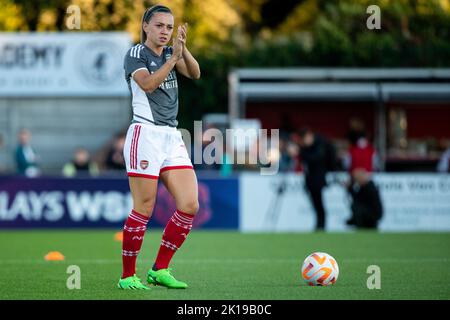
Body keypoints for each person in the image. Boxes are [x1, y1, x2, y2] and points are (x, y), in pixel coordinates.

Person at [118, 5, 201, 290]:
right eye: (159, 26)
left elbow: (195, 73)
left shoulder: (171, 52)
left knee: (190, 204)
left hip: (171, 136)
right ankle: (127, 276)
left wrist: (182, 50)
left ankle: (160, 269)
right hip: (145, 135)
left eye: (169, 27)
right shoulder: (135, 54)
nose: (165, 31)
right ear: (145, 27)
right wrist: (171, 60)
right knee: (144, 207)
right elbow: (149, 84)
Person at [298, 127, 337, 231]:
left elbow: (315, 158)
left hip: (318, 179)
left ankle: (321, 225)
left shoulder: (320, 144)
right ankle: (319, 225)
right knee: (316, 204)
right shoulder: (308, 147)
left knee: (319, 204)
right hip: (310, 179)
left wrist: (300, 152)